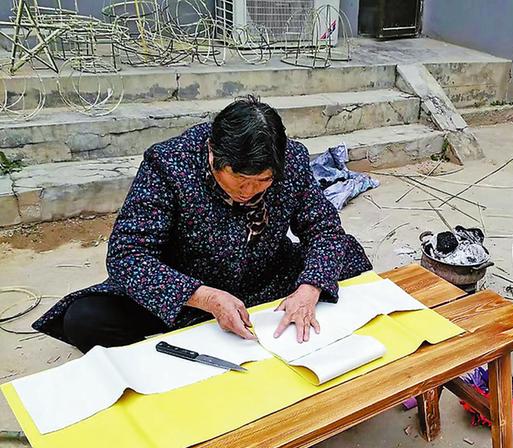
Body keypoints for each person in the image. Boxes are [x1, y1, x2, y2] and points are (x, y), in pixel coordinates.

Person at [33, 96, 371, 352]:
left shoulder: (292, 160)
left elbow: (324, 229)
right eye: (240, 180)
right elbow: (127, 255)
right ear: (212, 154)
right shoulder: (169, 164)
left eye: (262, 182)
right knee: (86, 319)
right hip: (187, 289)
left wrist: (309, 289)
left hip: (264, 276)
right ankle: (184, 352)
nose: (249, 192)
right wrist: (205, 297)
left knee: (346, 254)